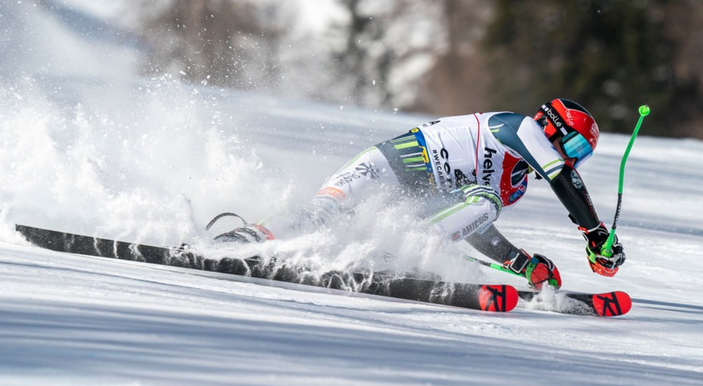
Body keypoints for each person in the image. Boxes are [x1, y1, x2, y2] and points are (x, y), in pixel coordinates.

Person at [213, 98, 626, 289]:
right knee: (321, 214)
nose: (573, 161)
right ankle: (245, 238)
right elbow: (562, 179)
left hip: (407, 205)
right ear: (553, 128)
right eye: (573, 148)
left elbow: (469, 224)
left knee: (484, 202)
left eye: (581, 156)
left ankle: (396, 255)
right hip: (385, 168)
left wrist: (521, 264)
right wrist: (594, 233)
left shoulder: (512, 182)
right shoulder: (522, 129)